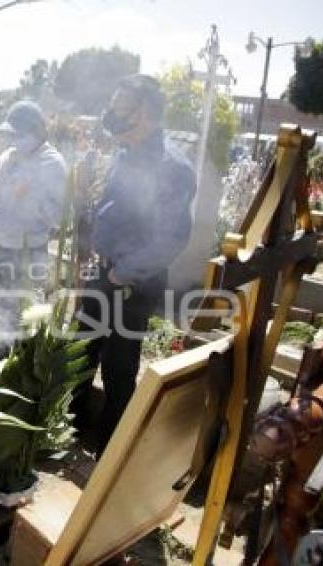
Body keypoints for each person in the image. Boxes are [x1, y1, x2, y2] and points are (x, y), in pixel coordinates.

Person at [74, 74, 196, 456]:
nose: (110, 114)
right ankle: (70, 429)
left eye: (118, 107)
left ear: (142, 113)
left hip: (131, 282)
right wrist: (90, 250)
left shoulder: (172, 166)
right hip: (102, 269)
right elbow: (111, 206)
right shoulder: (125, 150)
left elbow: (171, 238)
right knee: (80, 352)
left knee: (118, 369)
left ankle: (109, 451)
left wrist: (120, 273)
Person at [0, 100, 67, 356]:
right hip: (1, 247)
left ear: (39, 130)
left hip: (30, 251)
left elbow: (59, 218)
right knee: (2, 311)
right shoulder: (7, 157)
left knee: (25, 313)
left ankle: (21, 370)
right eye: (13, 133)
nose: (16, 139)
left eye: (22, 133)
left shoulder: (52, 163)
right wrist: (6, 172)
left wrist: (31, 197)